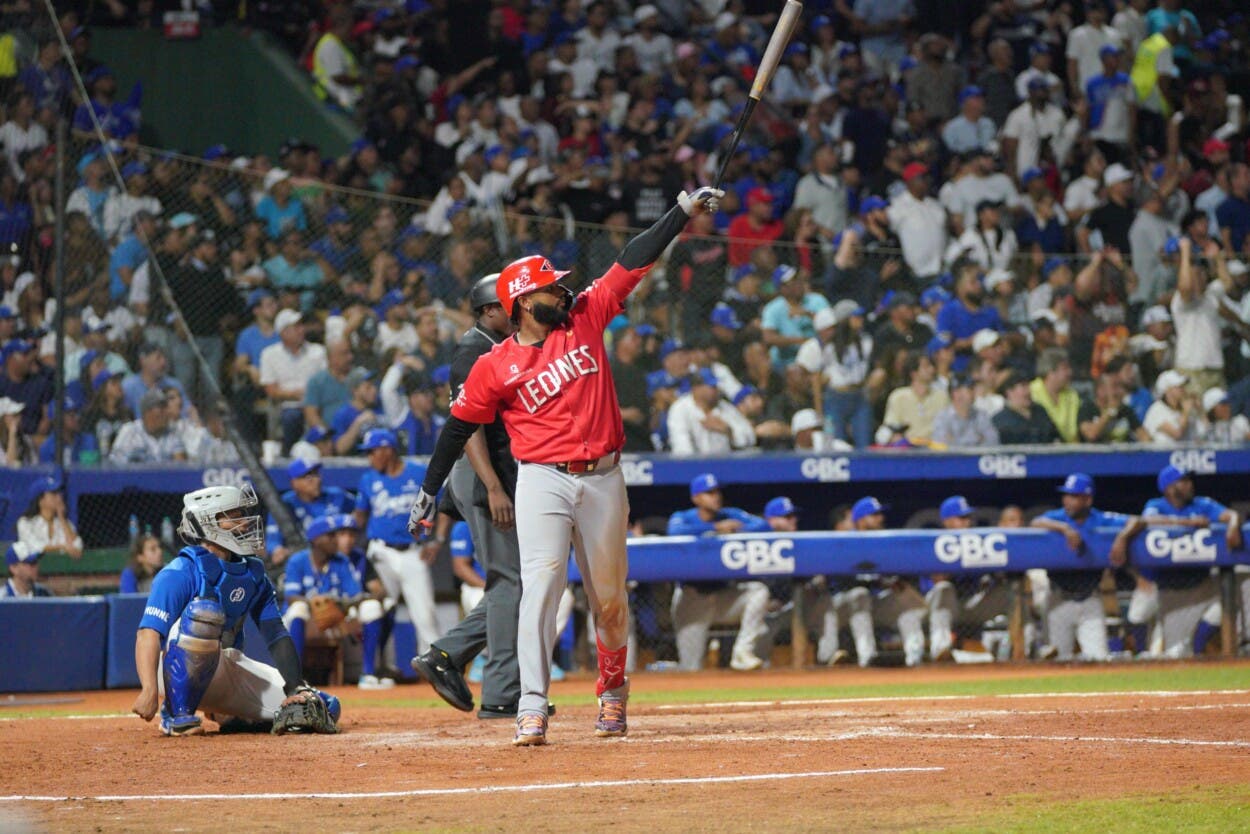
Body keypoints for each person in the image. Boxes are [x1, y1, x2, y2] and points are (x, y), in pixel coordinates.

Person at [407, 184, 724, 745]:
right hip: (541, 479)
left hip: (603, 477)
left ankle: (612, 692)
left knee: (609, 599)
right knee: (541, 588)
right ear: (523, 301)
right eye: (551, 287)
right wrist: (430, 489)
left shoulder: (585, 316)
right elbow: (457, 427)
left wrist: (680, 212)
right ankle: (531, 704)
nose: (562, 290)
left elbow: (633, 261)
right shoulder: (494, 363)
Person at [130, 485, 339, 736]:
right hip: (171, 671)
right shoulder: (181, 570)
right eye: (234, 516)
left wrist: (296, 687)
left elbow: (275, 634)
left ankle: (230, 714)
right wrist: (149, 689)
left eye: (243, 515)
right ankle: (176, 712)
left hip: (225, 670)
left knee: (319, 707)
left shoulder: (253, 573)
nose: (245, 523)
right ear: (208, 522)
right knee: (205, 612)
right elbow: (148, 633)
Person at [409, 275, 527, 720]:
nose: (516, 310)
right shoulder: (472, 349)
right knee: (508, 581)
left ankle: (446, 655)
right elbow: (468, 424)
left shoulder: (499, 343)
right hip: (480, 473)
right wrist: (493, 486)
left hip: (492, 471)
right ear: (488, 310)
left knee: (518, 581)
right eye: (509, 304)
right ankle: (501, 693)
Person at [1030, 473, 1144, 661]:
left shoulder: (1099, 518)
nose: (1068, 501)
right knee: (1058, 660)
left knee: (1099, 659)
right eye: (1066, 495)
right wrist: (1064, 529)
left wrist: (1123, 537)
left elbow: (1137, 521)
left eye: (1074, 496)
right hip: (1058, 599)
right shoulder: (1058, 517)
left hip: (1090, 599)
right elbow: (1035, 523)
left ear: (1087, 500)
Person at [355, 428, 442, 667]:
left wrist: (437, 540)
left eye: (372, 452)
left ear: (387, 450)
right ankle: (380, 667)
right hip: (380, 552)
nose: (369, 458)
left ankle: (433, 667)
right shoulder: (368, 479)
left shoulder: (418, 473)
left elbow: (442, 507)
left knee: (425, 613)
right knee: (380, 608)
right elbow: (359, 517)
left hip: (413, 552)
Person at [667, 474, 772, 672]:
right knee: (691, 669)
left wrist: (736, 531)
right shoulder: (683, 517)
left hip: (724, 598)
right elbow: (675, 532)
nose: (716, 496)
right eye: (709, 493)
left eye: (717, 491)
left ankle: (742, 651)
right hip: (692, 600)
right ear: (696, 498)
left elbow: (763, 525)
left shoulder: (730, 514)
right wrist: (715, 528)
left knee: (758, 591)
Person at [1140, 466, 1242, 658]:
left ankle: (1204, 643)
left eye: (1189, 480)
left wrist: (1233, 525)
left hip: (1205, 586)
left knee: (1235, 598)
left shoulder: (1202, 504)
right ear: (1169, 488)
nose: (1190, 485)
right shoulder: (1156, 505)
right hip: (1171, 593)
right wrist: (1187, 523)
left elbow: (1230, 515)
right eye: (1183, 481)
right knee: (1176, 654)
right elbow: (1149, 522)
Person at [282, 514, 387, 689]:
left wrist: (338, 604)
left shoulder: (341, 561)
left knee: (372, 607)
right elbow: (291, 596)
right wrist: (314, 603)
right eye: (330, 536)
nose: (335, 540)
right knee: (298, 607)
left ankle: (368, 674)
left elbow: (355, 595)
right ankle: (295, 679)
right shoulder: (298, 560)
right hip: (305, 622)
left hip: (336, 619)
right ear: (316, 540)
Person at [926, 495, 1015, 661]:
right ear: (947, 522)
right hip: (937, 609)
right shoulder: (933, 542)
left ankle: (1021, 649)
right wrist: (958, 557)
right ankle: (940, 650)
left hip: (971, 604)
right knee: (944, 589)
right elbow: (938, 580)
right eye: (961, 518)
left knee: (1008, 590)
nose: (967, 522)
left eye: (968, 517)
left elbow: (998, 577)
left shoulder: (978, 542)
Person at [848, 497, 928, 667]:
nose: (881, 518)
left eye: (880, 514)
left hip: (878, 604)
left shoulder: (887, 543)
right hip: (848, 608)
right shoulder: (845, 543)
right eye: (874, 515)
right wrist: (876, 582)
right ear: (860, 521)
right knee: (859, 595)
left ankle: (915, 658)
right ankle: (867, 657)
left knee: (907, 608)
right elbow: (841, 583)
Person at [265, 458, 355, 567]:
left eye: (316, 474)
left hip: (339, 555)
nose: (316, 480)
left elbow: (361, 512)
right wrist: (277, 549)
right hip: (304, 557)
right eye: (308, 477)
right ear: (294, 483)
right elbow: (273, 538)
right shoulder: (285, 504)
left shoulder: (337, 496)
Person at [666, 369, 756, 454]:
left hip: (724, 462)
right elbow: (682, 448)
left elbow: (750, 438)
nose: (717, 390)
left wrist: (730, 432)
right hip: (693, 463)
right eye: (712, 387)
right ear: (696, 388)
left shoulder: (726, 408)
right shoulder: (680, 409)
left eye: (716, 386)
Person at [109, 389, 188, 463]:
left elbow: (180, 466)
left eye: (166, 408)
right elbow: (115, 465)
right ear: (147, 412)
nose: (167, 412)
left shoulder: (172, 432)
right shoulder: (129, 431)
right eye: (161, 408)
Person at [17, 475, 83, 559]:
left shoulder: (64, 523)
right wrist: (62, 547)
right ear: (40, 500)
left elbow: (77, 548)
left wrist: (61, 517)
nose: (59, 497)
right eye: (53, 494)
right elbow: (34, 547)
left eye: (59, 493)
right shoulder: (26, 522)